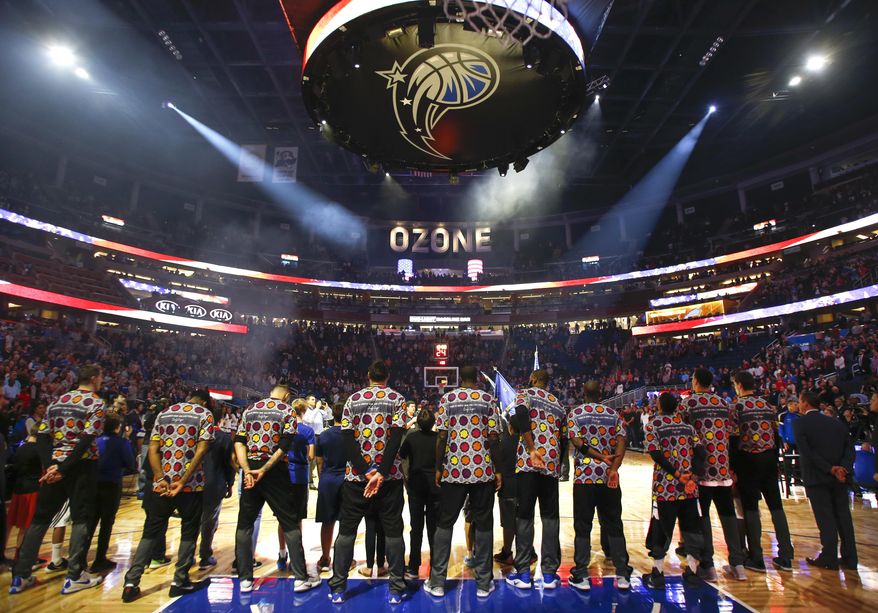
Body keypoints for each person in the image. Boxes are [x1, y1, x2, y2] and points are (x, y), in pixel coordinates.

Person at [10, 364, 106, 596]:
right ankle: (74, 576)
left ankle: (21, 575)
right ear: (93, 379)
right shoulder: (95, 402)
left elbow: (42, 435)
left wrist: (51, 465)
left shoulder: (58, 400)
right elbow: (86, 440)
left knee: (40, 519)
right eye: (101, 378)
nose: (101, 381)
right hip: (81, 467)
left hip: (55, 464)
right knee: (82, 518)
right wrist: (63, 468)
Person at [121, 389, 215, 603]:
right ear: (205, 401)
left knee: (151, 532)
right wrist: (182, 480)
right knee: (189, 532)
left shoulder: (165, 413)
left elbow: (153, 448)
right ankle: (179, 580)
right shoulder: (203, 414)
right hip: (190, 486)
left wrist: (160, 477)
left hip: (162, 485)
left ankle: (131, 582)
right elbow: (201, 450)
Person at [328, 360, 407, 605]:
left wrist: (366, 471)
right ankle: (396, 588)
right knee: (394, 532)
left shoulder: (352, 400)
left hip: (356, 479)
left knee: (347, 532)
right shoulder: (397, 399)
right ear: (388, 377)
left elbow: (347, 438)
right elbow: (396, 437)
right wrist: (381, 471)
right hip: (390, 478)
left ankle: (338, 587)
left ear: (368, 376)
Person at [425, 367, 502, 599]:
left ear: (459, 379)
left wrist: (439, 467)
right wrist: (497, 469)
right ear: (477, 380)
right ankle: (483, 583)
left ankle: (437, 582)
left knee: (445, 524)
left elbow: (441, 436)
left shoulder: (448, 398)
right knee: (484, 524)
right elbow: (494, 437)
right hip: (482, 472)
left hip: (454, 471)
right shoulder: (488, 399)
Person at [233, 386, 317, 593]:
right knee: (290, 523)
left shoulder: (250, 410)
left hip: (250, 470)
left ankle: (245, 580)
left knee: (244, 525)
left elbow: (239, 443)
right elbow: (284, 446)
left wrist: (247, 470)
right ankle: (300, 577)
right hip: (274, 472)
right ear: (287, 397)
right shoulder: (286, 411)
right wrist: (265, 468)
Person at [679, 368, 745, 580]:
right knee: (728, 515)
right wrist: (732, 466)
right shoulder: (724, 403)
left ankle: (708, 564)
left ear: (695, 381)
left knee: (703, 515)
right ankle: (738, 564)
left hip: (700, 470)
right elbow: (734, 436)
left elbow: (682, 436)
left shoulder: (688, 403)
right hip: (723, 468)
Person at [567, 380, 632, 591]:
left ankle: (581, 575)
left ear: (583, 393)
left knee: (583, 526)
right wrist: (613, 467)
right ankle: (623, 574)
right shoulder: (614, 415)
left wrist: (599, 457)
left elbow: (577, 442)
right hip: (608, 478)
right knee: (614, 523)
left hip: (585, 477)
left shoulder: (576, 413)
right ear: (601, 392)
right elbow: (622, 442)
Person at [506, 369, 565, 590]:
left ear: (533, 380)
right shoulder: (558, 403)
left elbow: (521, 415)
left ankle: (523, 573)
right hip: (551, 464)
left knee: (524, 516)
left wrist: (532, 448)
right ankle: (549, 574)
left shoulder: (525, 394)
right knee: (550, 518)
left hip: (529, 462)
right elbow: (564, 437)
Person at [730, 370, 794, 573]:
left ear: (739, 384)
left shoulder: (737, 407)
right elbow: (776, 437)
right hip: (769, 459)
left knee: (750, 508)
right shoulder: (767, 406)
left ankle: (756, 557)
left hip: (747, 460)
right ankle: (786, 555)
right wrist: (775, 461)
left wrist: (732, 467)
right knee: (776, 507)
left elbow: (733, 440)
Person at [642, 392, 707, 589]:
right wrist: (693, 476)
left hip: (665, 488)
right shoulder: (687, 427)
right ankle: (693, 571)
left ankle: (658, 573)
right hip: (688, 489)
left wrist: (677, 474)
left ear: (660, 406)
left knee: (661, 529)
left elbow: (656, 454)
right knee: (691, 529)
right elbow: (701, 452)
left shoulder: (653, 425)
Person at [794, 390, 858, 570]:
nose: (799, 405)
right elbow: (849, 449)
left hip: (817, 476)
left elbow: (808, 453)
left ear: (805, 403)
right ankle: (850, 558)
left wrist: (830, 469)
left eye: (799, 401)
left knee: (825, 518)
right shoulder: (836, 423)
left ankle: (829, 557)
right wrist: (842, 467)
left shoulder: (801, 424)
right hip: (840, 477)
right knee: (843, 516)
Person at [89, 413, 136, 572]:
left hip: (94, 484)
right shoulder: (122, 443)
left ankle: (81, 559)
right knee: (106, 523)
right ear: (118, 427)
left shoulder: (96, 441)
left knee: (90, 522)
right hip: (112, 483)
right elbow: (130, 463)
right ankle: (99, 559)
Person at [400, 408, 440, 581]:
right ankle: (436, 566)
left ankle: (414, 567)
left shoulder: (411, 437)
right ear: (433, 423)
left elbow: (402, 456)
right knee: (434, 528)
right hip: (435, 487)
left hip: (415, 486)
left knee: (416, 528)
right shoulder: (438, 439)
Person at [277, 398, 315, 571]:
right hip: (300, 475)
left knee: (283, 518)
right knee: (298, 518)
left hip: (284, 475)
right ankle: (295, 557)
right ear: (304, 411)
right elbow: (312, 456)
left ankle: (282, 553)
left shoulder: (285, 429)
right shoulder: (308, 431)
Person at [198, 401, 235, 570]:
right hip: (215, 483)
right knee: (209, 520)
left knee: (191, 520)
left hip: (193, 482)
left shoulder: (194, 433)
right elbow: (229, 464)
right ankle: (205, 555)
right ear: (221, 419)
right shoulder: (224, 437)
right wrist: (230, 482)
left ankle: (187, 555)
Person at [315, 402, 346, 572]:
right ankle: (344, 559)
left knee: (327, 522)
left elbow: (319, 462)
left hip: (328, 479)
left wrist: (322, 478)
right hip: (346, 480)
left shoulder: (324, 436)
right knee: (346, 523)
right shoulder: (351, 435)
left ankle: (325, 558)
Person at [6, 423, 42, 560]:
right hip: (32, 490)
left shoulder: (21, 448)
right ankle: (22, 556)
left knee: (13, 524)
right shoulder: (38, 450)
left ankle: (14, 555)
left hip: (18, 490)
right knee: (27, 527)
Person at [493, 419, 520, 566]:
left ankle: (507, 553)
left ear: (510, 427)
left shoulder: (503, 443)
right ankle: (528, 552)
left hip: (507, 487)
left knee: (508, 523)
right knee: (525, 521)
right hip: (525, 486)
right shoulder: (528, 443)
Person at [303, 395, 324, 490]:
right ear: (307, 401)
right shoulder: (306, 410)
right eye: (312, 399)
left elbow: (329, 416)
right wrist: (318, 408)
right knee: (310, 460)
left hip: (320, 436)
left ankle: (311, 479)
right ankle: (309, 482)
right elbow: (310, 419)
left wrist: (326, 408)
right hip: (311, 436)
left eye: (315, 399)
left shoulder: (317, 410)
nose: (314, 401)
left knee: (317, 460)